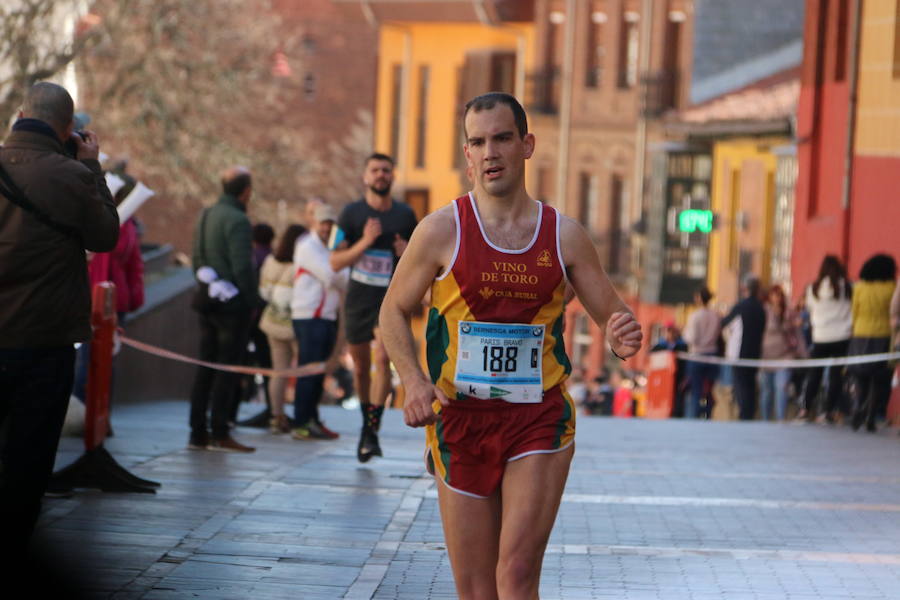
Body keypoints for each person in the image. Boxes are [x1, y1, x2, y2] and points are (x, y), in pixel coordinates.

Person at [379, 92, 642, 599]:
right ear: (467, 155)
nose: (491, 152)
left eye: (502, 138)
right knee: (477, 589)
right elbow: (392, 309)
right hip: (460, 419)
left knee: (517, 575)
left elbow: (613, 315)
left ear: (527, 145)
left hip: (538, 417)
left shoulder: (563, 235)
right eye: (478, 142)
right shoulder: (440, 230)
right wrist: (412, 380)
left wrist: (619, 336)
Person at [0, 82, 119, 551]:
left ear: (21, 114)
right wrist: (92, 166)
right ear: (69, 128)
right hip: (42, 339)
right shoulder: (71, 174)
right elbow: (106, 235)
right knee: (29, 457)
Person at [330, 153, 418, 462]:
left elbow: (419, 260)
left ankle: (372, 427)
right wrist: (365, 242)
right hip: (358, 299)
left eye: (386, 170)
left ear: (393, 176)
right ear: (366, 177)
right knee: (361, 368)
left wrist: (407, 252)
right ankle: (367, 426)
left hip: (390, 300)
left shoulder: (406, 215)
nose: (381, 175)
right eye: (375, 170)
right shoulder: (350, 214)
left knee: (383, 359)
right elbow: (335, 260)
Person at [188, 166, 261, 452]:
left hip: (207, 299)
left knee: (205, 366)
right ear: (246, 192)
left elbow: (196, 257)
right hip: (233, 306)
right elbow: (243, 266)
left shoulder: (206, 214)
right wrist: (253, 299)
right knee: (227, 369)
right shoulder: (239, 220)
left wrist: (208, 281)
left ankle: (197, 430)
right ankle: (220, 430)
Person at [291, 204, 348, 440]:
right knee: (309, 370)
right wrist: (339, 269)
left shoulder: (330, 249)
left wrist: (339, 269)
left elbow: (344, 280)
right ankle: (301, 422)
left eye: (330, 223)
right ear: (315, 222)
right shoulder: (307, 246)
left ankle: (312, 418)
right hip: (309, 315)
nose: (326, 227)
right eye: (323, 222)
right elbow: (331, 274)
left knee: (319, 372)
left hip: (326, 315)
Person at [258, 223, 307, 434]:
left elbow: (264, 293)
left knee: (279, 372)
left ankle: (276, 417)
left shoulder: (270, 261)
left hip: (272, 322)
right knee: (305, 372)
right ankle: (303, 417)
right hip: (296, 324)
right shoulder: (303, 264)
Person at [801, 255, 853, 423]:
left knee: (815, 373)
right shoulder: (846, 287)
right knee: (836, 375)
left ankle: (806, 408)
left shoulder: (813, 288)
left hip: (820, 336)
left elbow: (809, 308)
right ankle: (828, 410)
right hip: (842, 336)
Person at [848, 254, 896, 431]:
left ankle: (858, 406)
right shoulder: (891, 287)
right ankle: (870, 413)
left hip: (861, 333)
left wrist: (854, 330)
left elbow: (854, 311)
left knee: (861, 376)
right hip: (883, 335)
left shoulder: (860, 287)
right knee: (879, 378)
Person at [721, 275, 766, 420]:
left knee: (741, 387)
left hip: (739, 353)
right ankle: (749, 414)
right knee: (750, 386)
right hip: (755, 353)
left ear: (745, 288)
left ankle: (744, 415)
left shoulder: (740, 307)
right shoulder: (761, 309)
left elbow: (724, 324)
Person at [759, 284, 802, 421]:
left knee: (781, 388)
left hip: (785, 356)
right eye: (774, 294)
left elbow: (797, 334)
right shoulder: (765, 311)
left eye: (779, 295)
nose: (777, 298)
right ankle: (766, 420)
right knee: (767, 391)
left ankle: (780, 420)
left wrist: (803, 353)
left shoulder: (789, 312)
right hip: (766, 357)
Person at [683, 286, 721, 419]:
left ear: (699, 298)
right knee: (709, 390)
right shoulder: (716, 315)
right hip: (712, 355)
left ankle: (694, 418)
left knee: (696, 391)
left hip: (697, 356)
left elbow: (692, 338)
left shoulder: (695, 316)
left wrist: (685, 334)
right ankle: (708, 416)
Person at [650, 321, 688, 417]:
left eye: (671, 331)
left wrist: (686, 377)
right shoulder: (658, 346)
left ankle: (677, 415)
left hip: (678, 378)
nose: (669, 333)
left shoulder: (682, 346)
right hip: (663, 380)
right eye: (667, 331)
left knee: (678, 399)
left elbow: (686, 363)